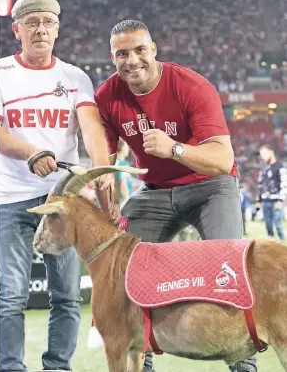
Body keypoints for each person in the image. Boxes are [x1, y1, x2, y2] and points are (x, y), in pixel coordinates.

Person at [94, 19, 257, 372]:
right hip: (154, 192)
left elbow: (223, 159)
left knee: (228, 265)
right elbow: (105, 165)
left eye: (139, 50)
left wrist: (175, 149)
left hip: (211, 187)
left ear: (154, 50)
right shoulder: (107, 96)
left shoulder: (191, 85)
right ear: (112, 58)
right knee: (123, 267)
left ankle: (241, 361)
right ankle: (143, 359)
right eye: (122, 54)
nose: (132, 60)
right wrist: (106, 206)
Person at [0, 0, 112, 372]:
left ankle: (57, 367)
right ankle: (11, 367)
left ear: (57, 29)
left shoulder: (74, 77)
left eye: (47, 22)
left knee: (66, 296)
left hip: (63, 202)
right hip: (11, 200)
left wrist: (101, 170)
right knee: (11, 296)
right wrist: (30, 153)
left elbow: (92, 128)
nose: (40, 30)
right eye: (32, 23)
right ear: (17, 30)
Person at [256, 144, 287, 242]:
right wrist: (259, 200)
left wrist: (280, 200)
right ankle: (272, 247)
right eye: (261, 155)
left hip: (276, 201)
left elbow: (284, 184)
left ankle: (283, 246)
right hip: (265, 201)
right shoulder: (263, 169)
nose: (262, 157)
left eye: (264, 154)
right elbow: (260, 185)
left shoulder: (280, 167)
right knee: (268, 226)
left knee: (278, 225)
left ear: (271, 152)